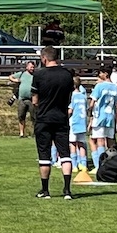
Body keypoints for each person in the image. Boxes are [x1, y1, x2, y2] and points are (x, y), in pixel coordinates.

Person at [31, 46, 75, 199]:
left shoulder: (39, 74)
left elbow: (35, 100)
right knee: (65, 154)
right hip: (61, 118)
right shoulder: (67, 75)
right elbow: (69, 97)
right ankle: (67, 190)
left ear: (44, 58)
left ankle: (45, 190)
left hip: (44, 118)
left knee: (44, 155)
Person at [10, 60, 36, 138]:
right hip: (22, 99)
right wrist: (15, 80)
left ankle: (35, 133)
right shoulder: (21, 74)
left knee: (34, 117)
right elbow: (11, 77)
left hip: (32, 99)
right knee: (21, 116)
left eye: (33, 67)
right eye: (31, 67)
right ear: (27, 67)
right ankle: (21, 133)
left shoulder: (35, 75)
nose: (32, 68)